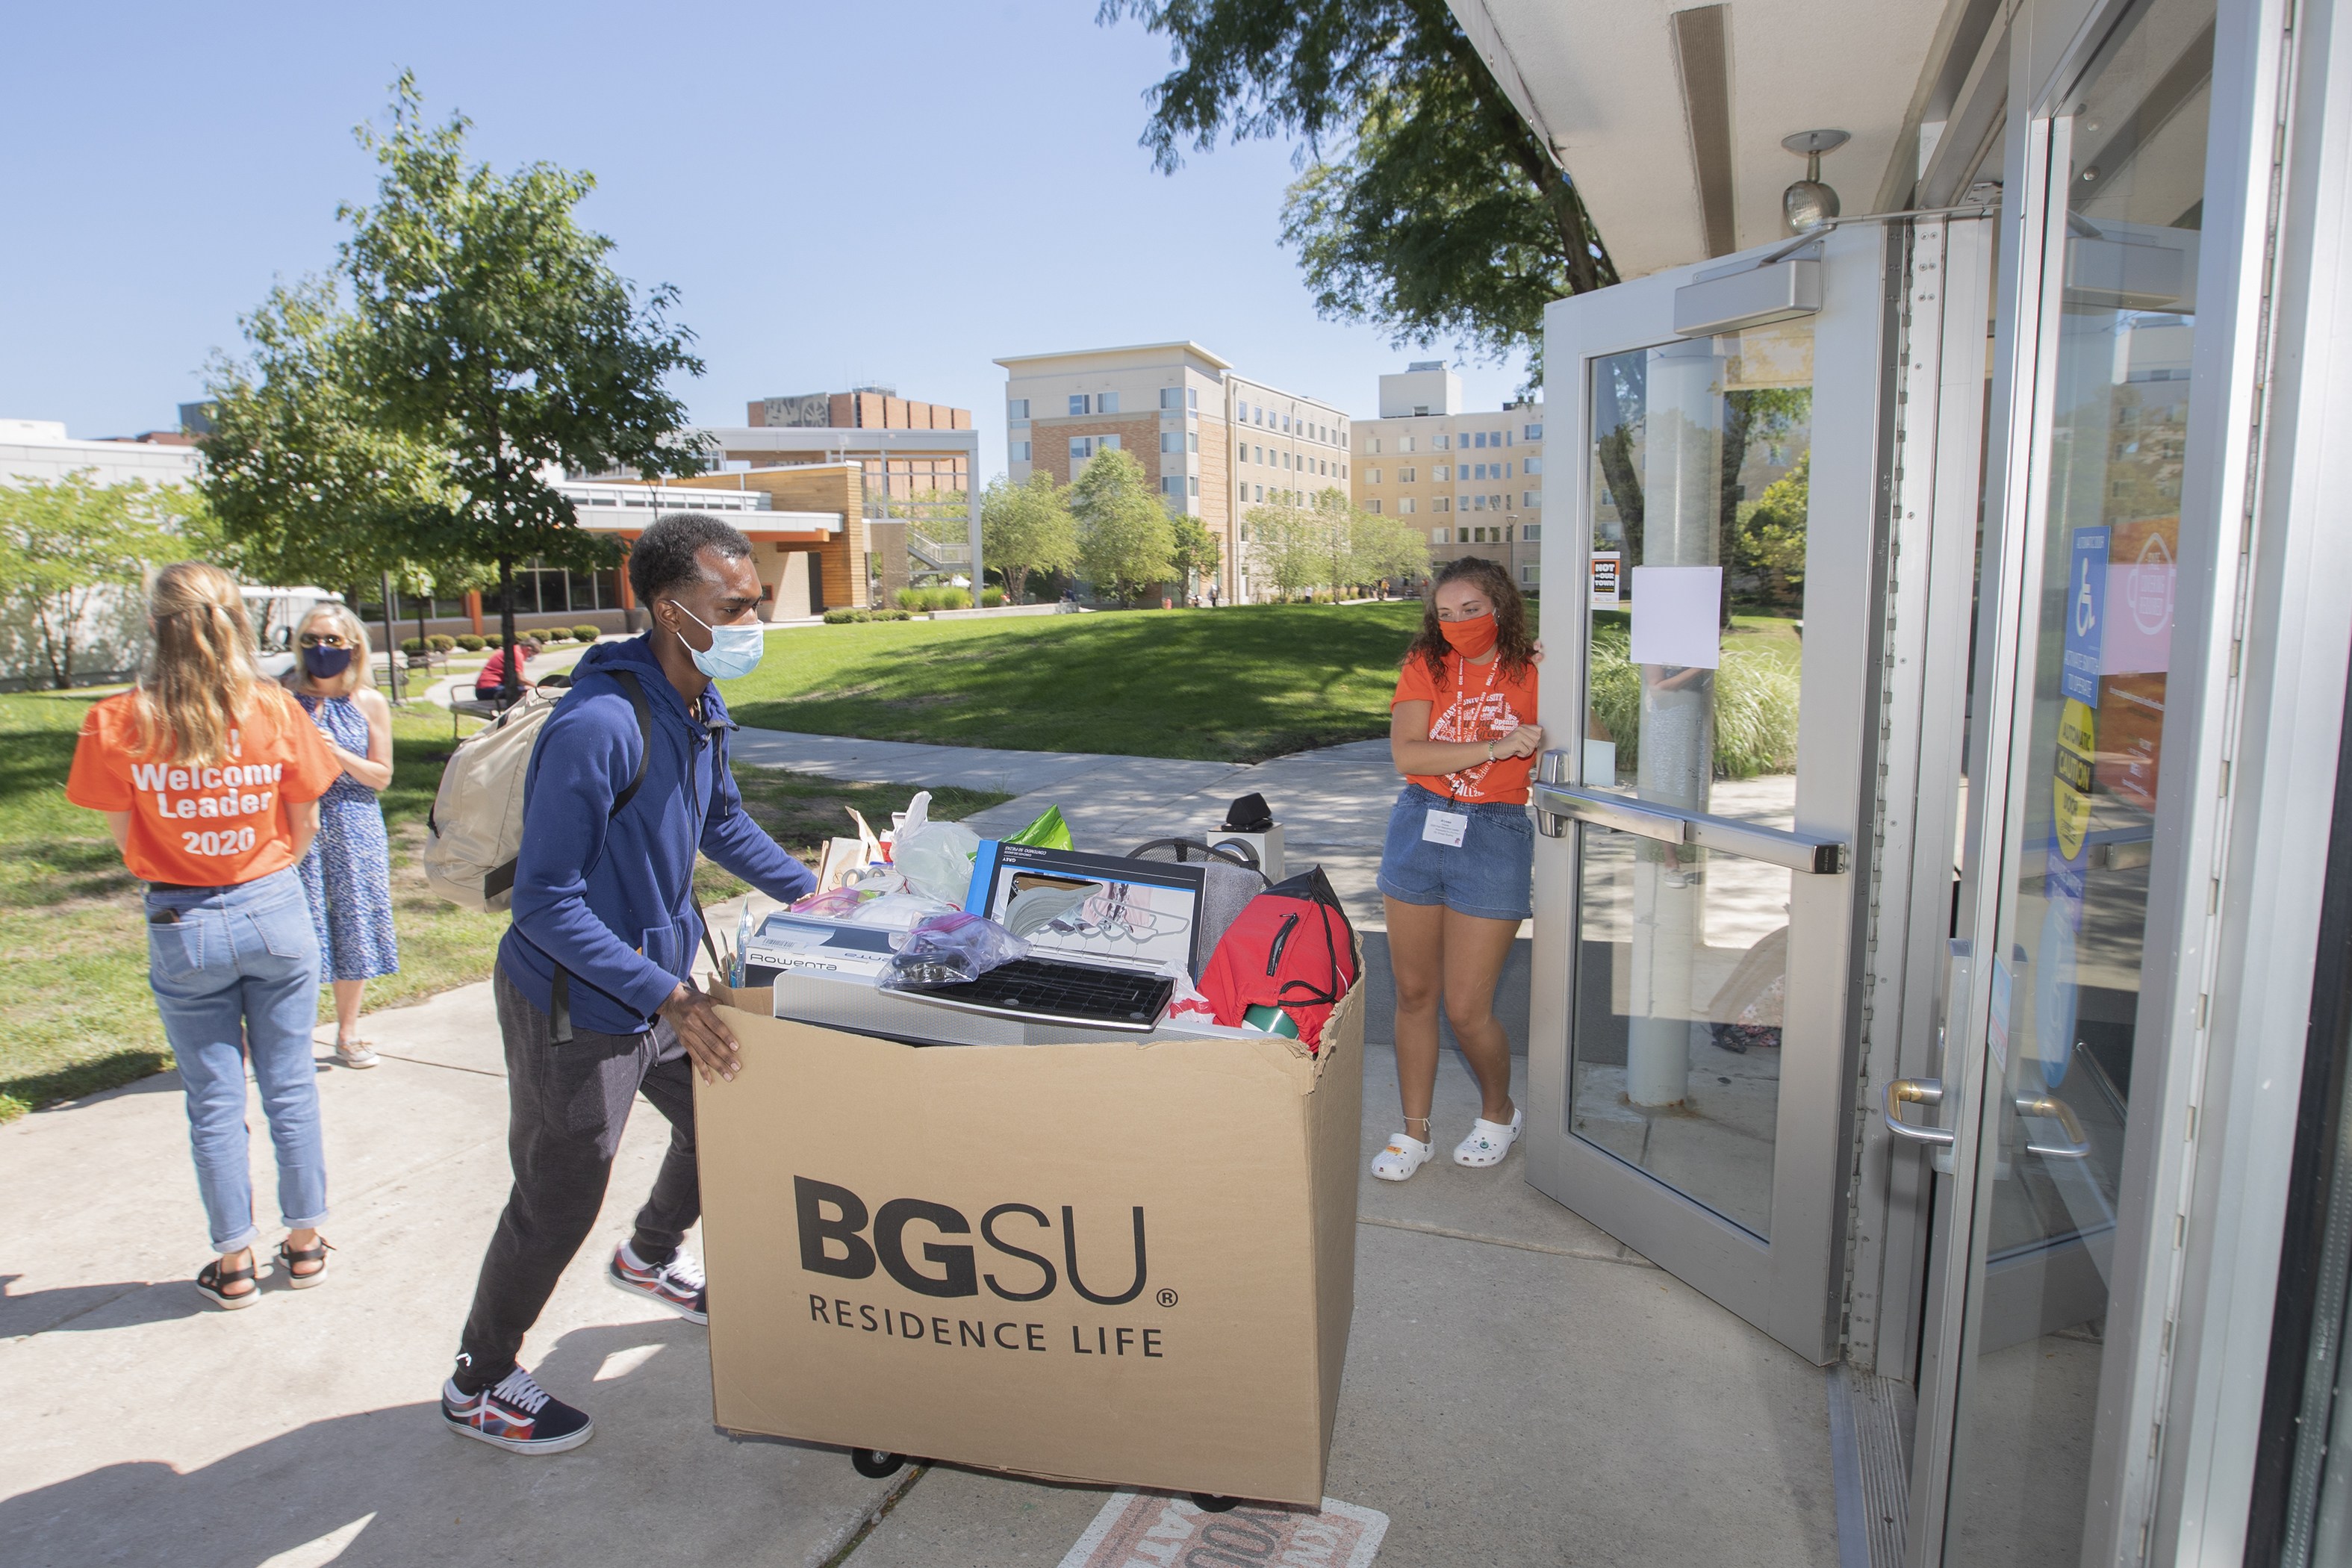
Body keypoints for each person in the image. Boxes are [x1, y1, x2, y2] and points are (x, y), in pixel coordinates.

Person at [441, 511, 818, 1455]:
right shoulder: (601, 723)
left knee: (719, 1121)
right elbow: (544, 904)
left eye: (756, 602)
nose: (751, 619)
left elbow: (720, 822)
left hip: (658, 981)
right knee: (559, 1192)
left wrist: (821, 895)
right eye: (733, 606)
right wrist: (670, 997)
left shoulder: (694, 704)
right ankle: (479, 1380)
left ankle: (648, 1255)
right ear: (668, 609)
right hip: (579, 999)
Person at [66, 563, 346, 1305]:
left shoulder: (119, 719)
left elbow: (126, 838)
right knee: (290, 1085)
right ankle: (306, 1242)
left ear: (158, 627)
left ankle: (233, 1261)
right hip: (273, 905)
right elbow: (305, 821)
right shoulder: (277, 710)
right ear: (238, 624)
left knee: (213, 1098)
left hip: (181, 917)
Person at [1371, 556, 1543, 1182]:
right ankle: (1414, 1131)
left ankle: (1499, 1113)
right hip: (1419, 822)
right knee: (1415, 994)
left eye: (1471, 609)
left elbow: (1588, 740)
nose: (1459, 623)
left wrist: (1569, 679)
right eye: (1445, 613)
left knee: (1469, 1009)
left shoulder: (1533, 669)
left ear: (1501, 604)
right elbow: (1407, 754)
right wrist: (1497, 747)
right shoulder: (1427, 664)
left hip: (1495, 832)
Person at [283, 603, 399, 1069]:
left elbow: (382, 775)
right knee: (298, 929)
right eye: (311, 639)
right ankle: (290, 1037)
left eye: (332, 640)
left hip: (354, 823)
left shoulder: (369, 701)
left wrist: (333, 752)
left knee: (353, 926)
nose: (321, 649)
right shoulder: (282, 696)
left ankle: (347, 1033)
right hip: (295, 820)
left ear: (353, 647)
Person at [473, 639, 533, 703]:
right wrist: (537, 686)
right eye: (532, 654)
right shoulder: (515, 654)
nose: (530, 657)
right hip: (490, 689)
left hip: (482, 690)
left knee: (523, 689)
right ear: (528, 649)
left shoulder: (510, 650)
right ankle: (518, 711)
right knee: (529, 690)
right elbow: (520, 680)